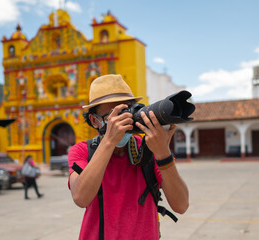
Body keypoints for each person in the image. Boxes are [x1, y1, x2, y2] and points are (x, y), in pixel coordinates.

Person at [68, 74, 189, 240]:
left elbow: (181, 205)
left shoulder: (149, 148)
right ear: (94, 121)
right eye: (114, 115)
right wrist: (109, 141)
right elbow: (80, 198)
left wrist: (163, 153)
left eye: (127, 111)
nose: (122, 122)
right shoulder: (82, 151)